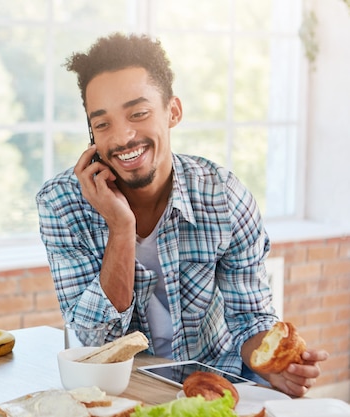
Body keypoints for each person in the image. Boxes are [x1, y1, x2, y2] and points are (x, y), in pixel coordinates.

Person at [36, 33, 328, 397]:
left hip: (219, 385)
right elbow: (96, 341)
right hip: (123, 394)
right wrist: (121, 227)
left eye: (138, 114)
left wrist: (273, 364)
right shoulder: (61, 203)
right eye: (103, 123)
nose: (123, 136)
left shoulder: (223, 194)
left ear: (172, 111)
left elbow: (249, 318)